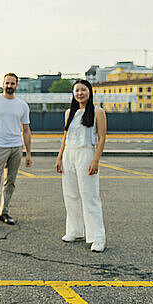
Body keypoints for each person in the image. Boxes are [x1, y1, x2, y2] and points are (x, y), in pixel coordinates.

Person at [55, 80, 107, 252]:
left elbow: (102, 137)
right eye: (77, 90)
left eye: (83, 90)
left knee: (89, 196)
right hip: (69, 154)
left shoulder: (97, 112)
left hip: (86, 154)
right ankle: (75, 230)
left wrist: (96, 160)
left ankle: (97, 237)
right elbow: (65, 137)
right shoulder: (69, 112)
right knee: (70, 194)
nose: (80, 93)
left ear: (89, 92)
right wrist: (60, 156)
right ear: (73, 93)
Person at [0, 73, 32, 231]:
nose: (9, 86)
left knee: (10, 182)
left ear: (17, 85)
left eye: (12, 83)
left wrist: (28, 153)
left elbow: (26, 130)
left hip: (16, 147)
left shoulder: (22, 105)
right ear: (3, 84)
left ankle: (5, 212)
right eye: (7, 83)